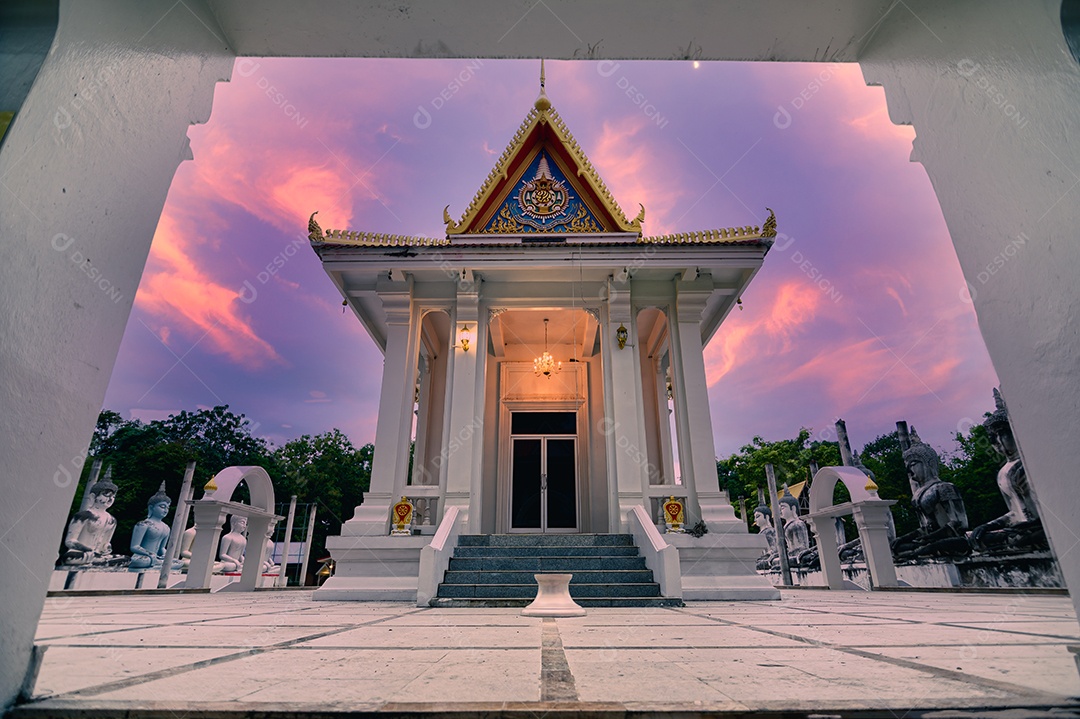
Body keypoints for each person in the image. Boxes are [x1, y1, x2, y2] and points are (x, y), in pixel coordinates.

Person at [969, 389, 1047, 552]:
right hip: (1022, 529)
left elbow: (1047, 509)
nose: (997, 441)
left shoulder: (1033, 462)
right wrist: (988, 526)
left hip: (1044, 527)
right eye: (992, 437)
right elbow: (1015, 512)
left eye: (1002, 433)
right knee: (975, 538)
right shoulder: (1002, 473)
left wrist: (1027, 525)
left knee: (1023, 538)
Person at [891, 431, 970, 560]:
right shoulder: (917, 495)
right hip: (931, 539)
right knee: (896, 547)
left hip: (951, 539)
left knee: (925, 549)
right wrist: (906, 537)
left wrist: (931, 537)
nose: (910, 471)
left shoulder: (944, 488)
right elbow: (926, 527)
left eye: (913, 464)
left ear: (927, 463)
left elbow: (959, 524)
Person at [62, 475, 119, 565]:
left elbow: (106, 543)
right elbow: (70, 541)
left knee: (124, 559)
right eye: (106, 495)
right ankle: (99, 560)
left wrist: (107, 548)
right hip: (81, 554)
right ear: (93, 496)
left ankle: (100, 560)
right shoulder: (83, 516)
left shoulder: (112, 520)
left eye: (113, 496)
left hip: (98, 555)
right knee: (70, 557)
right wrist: (87, 549)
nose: (110, 499)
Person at [128, 483, 172, 570]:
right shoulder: (144, 524)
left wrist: (166, 556)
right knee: (142, 561)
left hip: (156, 559)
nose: (165, 510)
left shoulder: (166, 527)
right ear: (151, 508)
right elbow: (134, 546)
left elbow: (162, 548)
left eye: (167, 507)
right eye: (162, 507)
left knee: (177, 562)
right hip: (143, 558)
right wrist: (150, 554)